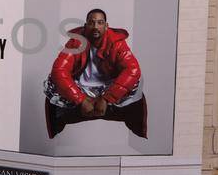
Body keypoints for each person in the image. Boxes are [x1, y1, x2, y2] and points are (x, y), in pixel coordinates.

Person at [43, 8, 147, 140]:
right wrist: (80, 100)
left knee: (137, 80)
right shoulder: (76, 42)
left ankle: (135, 130)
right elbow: (59, 70)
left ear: (106, 26)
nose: (95, 27)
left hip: (108, 88)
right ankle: (59, 128)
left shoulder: (117, 43)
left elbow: (132, 69)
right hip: (81, 88)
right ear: (86, 26)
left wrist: (106, 99)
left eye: (100, 22)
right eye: (92, 23)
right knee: (52, 81)